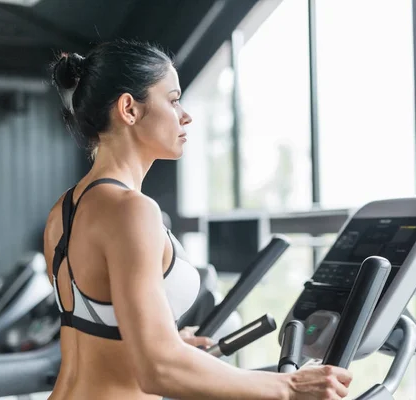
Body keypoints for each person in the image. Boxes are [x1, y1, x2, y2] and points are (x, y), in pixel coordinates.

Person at [43, 39, 352, 400]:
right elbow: (158, 370)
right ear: (129, 108)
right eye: (173, 100)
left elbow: (98, 332)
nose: (185, 115)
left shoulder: (62, 211)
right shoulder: (132, 210)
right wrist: (289, 386)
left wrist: (171, 341)